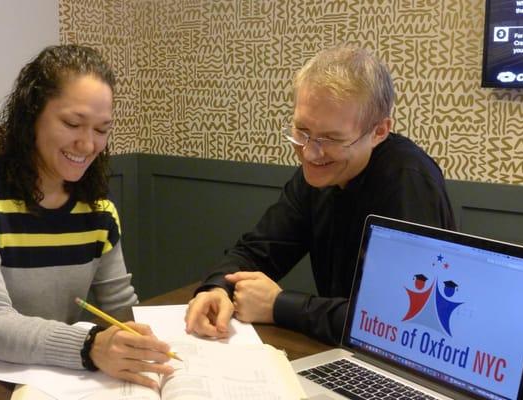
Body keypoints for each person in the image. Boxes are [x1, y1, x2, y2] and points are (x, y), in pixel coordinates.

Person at [0, 45, 173, 389]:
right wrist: (89, 347)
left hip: (46, 381)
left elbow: (119, 308)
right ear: (31, 116)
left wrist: (150, 343)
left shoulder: (97, 206)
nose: (87, 145)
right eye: (73, 123)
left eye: (102, 130)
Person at [185, 46, 456, 344]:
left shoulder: (409, 181)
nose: (310, 153)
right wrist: (216, 288)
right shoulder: (320, 172)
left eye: (331, 138)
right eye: (301, 131)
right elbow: (256, 251)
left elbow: (401, 320)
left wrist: (279, 306)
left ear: (379, 131)